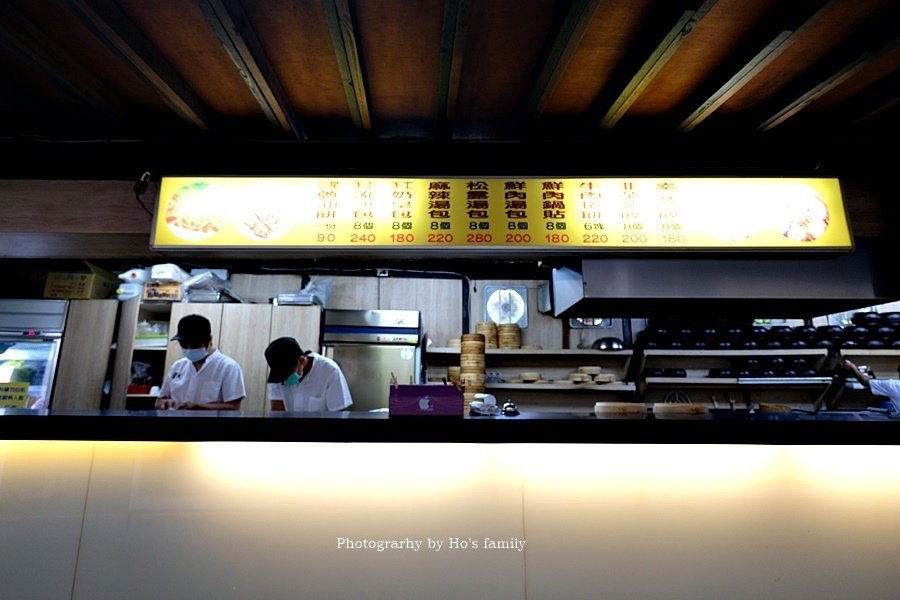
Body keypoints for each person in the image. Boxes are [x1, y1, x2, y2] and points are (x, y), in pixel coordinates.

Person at [155, 314, 246, 410]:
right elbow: (159, 400)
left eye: (195, 344)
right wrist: (164, 403)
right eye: (184, 344)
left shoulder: (228, 367)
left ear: (209, 340)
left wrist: (199, 407)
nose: (189, 349)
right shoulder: (177, 367)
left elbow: (234, 407)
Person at [264, 336, 352, 411]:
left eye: (287, 374)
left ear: (301, 361)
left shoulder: (330, 371)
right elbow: (277, 413)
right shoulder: (278, 376)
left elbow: (339, 415)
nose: (285, 379)